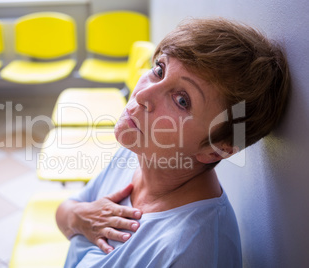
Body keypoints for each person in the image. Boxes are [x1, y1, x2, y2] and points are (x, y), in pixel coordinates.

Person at [56, 18, 290, 267]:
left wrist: (76, 218)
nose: (143, 95)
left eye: (181, 100)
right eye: (159, 70)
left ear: (214, 150)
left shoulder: (190, 252)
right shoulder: (140, 152)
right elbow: (66, 210)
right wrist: (80, 217)